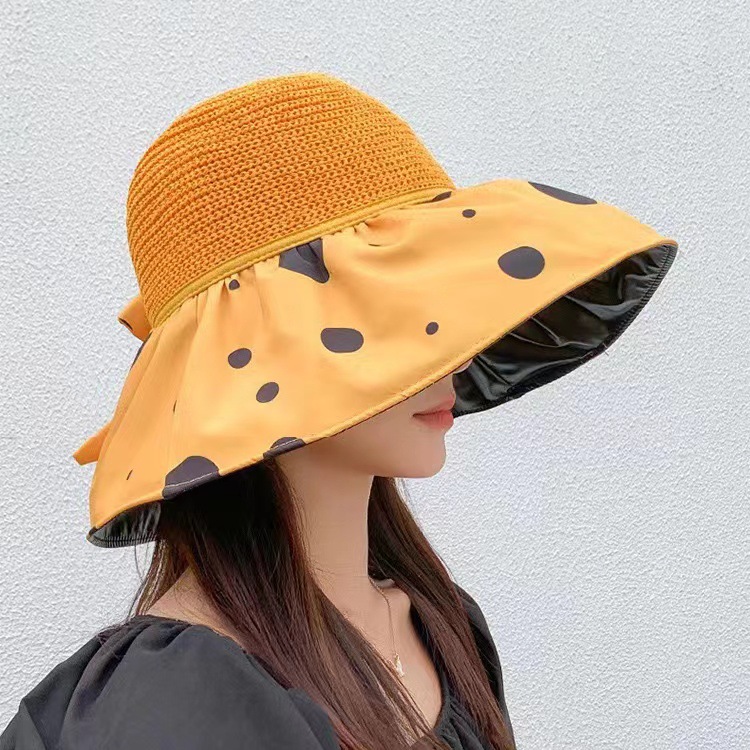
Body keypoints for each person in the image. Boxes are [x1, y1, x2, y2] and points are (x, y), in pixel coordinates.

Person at [1, 71, 678, 750]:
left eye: (440, 310)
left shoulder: (441, 624)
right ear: (264, 352)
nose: (451, 356)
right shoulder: (178, 694)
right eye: (391, 314)